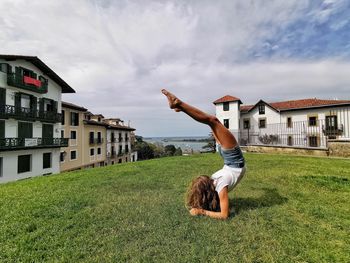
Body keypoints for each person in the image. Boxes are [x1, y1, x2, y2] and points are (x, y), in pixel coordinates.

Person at [162, 89, 246, 220]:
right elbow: (224, 215)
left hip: (227, 161)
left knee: (212, 121)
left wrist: (201, 207)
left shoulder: (215, 184)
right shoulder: (221, 186)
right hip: (234, 160)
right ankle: (179, 104)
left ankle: (180, 107)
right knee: (212, 120)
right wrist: (202, 211)